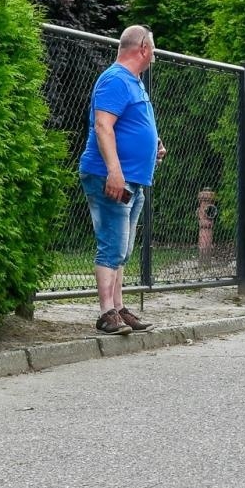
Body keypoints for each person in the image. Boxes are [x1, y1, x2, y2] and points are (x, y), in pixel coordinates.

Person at [77, 24, 167, 338]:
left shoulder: (134, 83)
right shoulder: (115, 79)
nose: (154, 54)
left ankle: (118, 306)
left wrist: (152, 146)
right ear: (142, 47)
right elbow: (103, 126)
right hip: (111, 177)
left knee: (122, 249)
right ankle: (106, 313)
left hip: (133, 178)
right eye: (153, 48)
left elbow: (130, 125)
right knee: (111, 244)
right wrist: (114, 171)